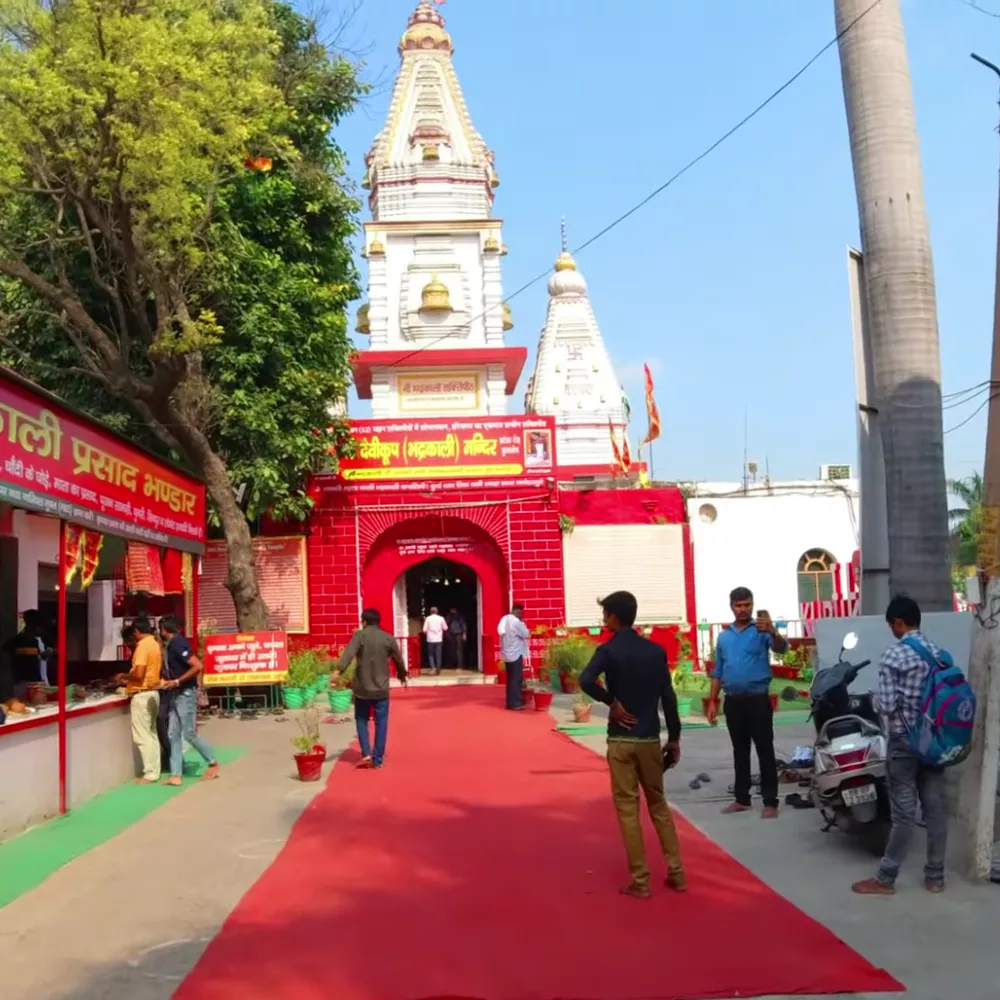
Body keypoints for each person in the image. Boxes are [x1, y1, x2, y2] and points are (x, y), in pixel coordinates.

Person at [580, 591, 685, 899]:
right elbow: (668, 697)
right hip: (650, 738)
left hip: (621, 740)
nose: (604, 619)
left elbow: (586, 680)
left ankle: (641, 880)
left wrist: (611, 702)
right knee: (658, 806)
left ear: (613, 617)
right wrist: (674, 738)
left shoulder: (608, 651)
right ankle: (677, 873)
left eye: (605, 614)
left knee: (628, 810)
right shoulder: (655, 652)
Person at [853, 595, 948, 895]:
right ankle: (935, 877)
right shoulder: (938, 653)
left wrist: (874, 699)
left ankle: (886, 879)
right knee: (935, 809)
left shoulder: (894, 656)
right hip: (934, 743)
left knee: (905, 813)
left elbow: (886, 705)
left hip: (904, 743)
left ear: (897, 623)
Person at [706, 586, 787, 818]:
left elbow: (781, 649)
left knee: (765, 750)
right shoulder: (724, 637)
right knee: (740, 751)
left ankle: (770, 802)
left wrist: (772, 630)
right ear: (731, 607)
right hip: (733, 702)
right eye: (738, 605)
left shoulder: (761, 631)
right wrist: (712, 701)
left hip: (757, 701)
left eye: (747, 605)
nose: (743, 609)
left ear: (752, 604)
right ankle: (742, 799)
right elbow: (718, 671)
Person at [334, 608, 407, 769]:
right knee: (381, 723)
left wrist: (338, 671)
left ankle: (366, 753)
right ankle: (378, 759)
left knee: (361, 720)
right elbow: (398, 659)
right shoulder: (388, 638)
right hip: (381, 689)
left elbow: (348, 654)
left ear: (364, 621)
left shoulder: (359, 636)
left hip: (362, 688)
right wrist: (402, 675)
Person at [158, 616, 219, 786]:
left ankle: (212, 762)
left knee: (189, 733)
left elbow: (197, 665)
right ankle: (176, 774)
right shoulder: (171, 645)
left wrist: (178, 681)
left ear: (164, 630)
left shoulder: (178, 644)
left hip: (184, 693)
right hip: (175, 694)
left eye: (160, 630)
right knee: (173, 734)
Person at [116, 616, 163, 784]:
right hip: (153, 692)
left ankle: (150, 773)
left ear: (136, 631)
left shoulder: (142, 646)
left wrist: (122, 676)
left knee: (142, 736)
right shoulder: (155, 644)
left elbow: (139, 674)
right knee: (151, 734)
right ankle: (154, 770)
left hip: (142, 694)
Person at [2, 610, 52, 696]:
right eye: (39, 624)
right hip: (21, 684)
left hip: (36, 684)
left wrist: (44, 656)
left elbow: (35, 660)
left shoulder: (36, 642)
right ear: (32, 624)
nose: (41, 628)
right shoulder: (14, 642)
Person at [497, 603, 530, 710]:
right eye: (521, 612)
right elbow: (526, 634)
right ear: (518, 611)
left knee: (510, 679)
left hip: (507, 653)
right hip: (515, 653)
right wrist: (522, 623)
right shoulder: (516, 622)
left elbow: (500, 631)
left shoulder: (504, 619)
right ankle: (515, 703)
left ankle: (510, 702)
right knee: (516, 679)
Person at [422, 606, 446, 675]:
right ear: (437, 611)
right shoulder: (441, 618)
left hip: (430, 639)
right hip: (439, 639)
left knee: (431, 654)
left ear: (430, 612)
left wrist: (427, 633)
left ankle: (433, 668)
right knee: (438, 654)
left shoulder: (428, 618)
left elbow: (424, 630)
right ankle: (438, 669)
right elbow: (445, 628)